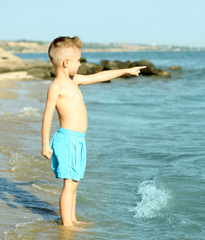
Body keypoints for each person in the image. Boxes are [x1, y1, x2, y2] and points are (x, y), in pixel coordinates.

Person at [41, 36, 146, 227]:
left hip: (78, 140)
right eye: (78, 60)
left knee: (74, 183)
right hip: (67, 140)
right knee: (69, 185)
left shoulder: (75, 81)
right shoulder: (56, 87)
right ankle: (67, 227)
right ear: (66, 62)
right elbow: (47, 116)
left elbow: (101, 76)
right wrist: (45, 144)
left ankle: (72, 219)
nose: (80, 64)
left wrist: (125, 71)